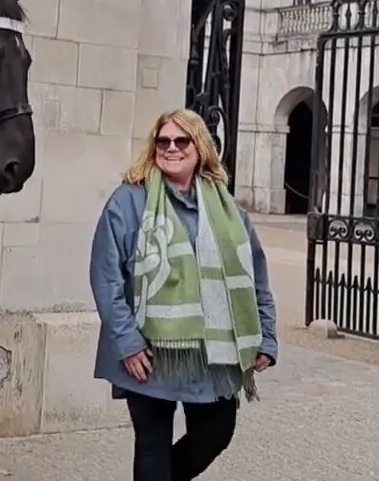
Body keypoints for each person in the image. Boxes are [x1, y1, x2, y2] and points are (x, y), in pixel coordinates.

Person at [89, 108, 278, 481]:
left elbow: (255, 273)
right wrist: (126, 342)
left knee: (216, 433)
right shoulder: (128, 201)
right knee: (152, 446)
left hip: (213, 354)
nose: (171, 148)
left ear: (200, 147)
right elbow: (106, 276)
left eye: (181, 140)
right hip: (149, 352)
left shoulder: (227, 209)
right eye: (163, 141)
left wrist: (267, 337)